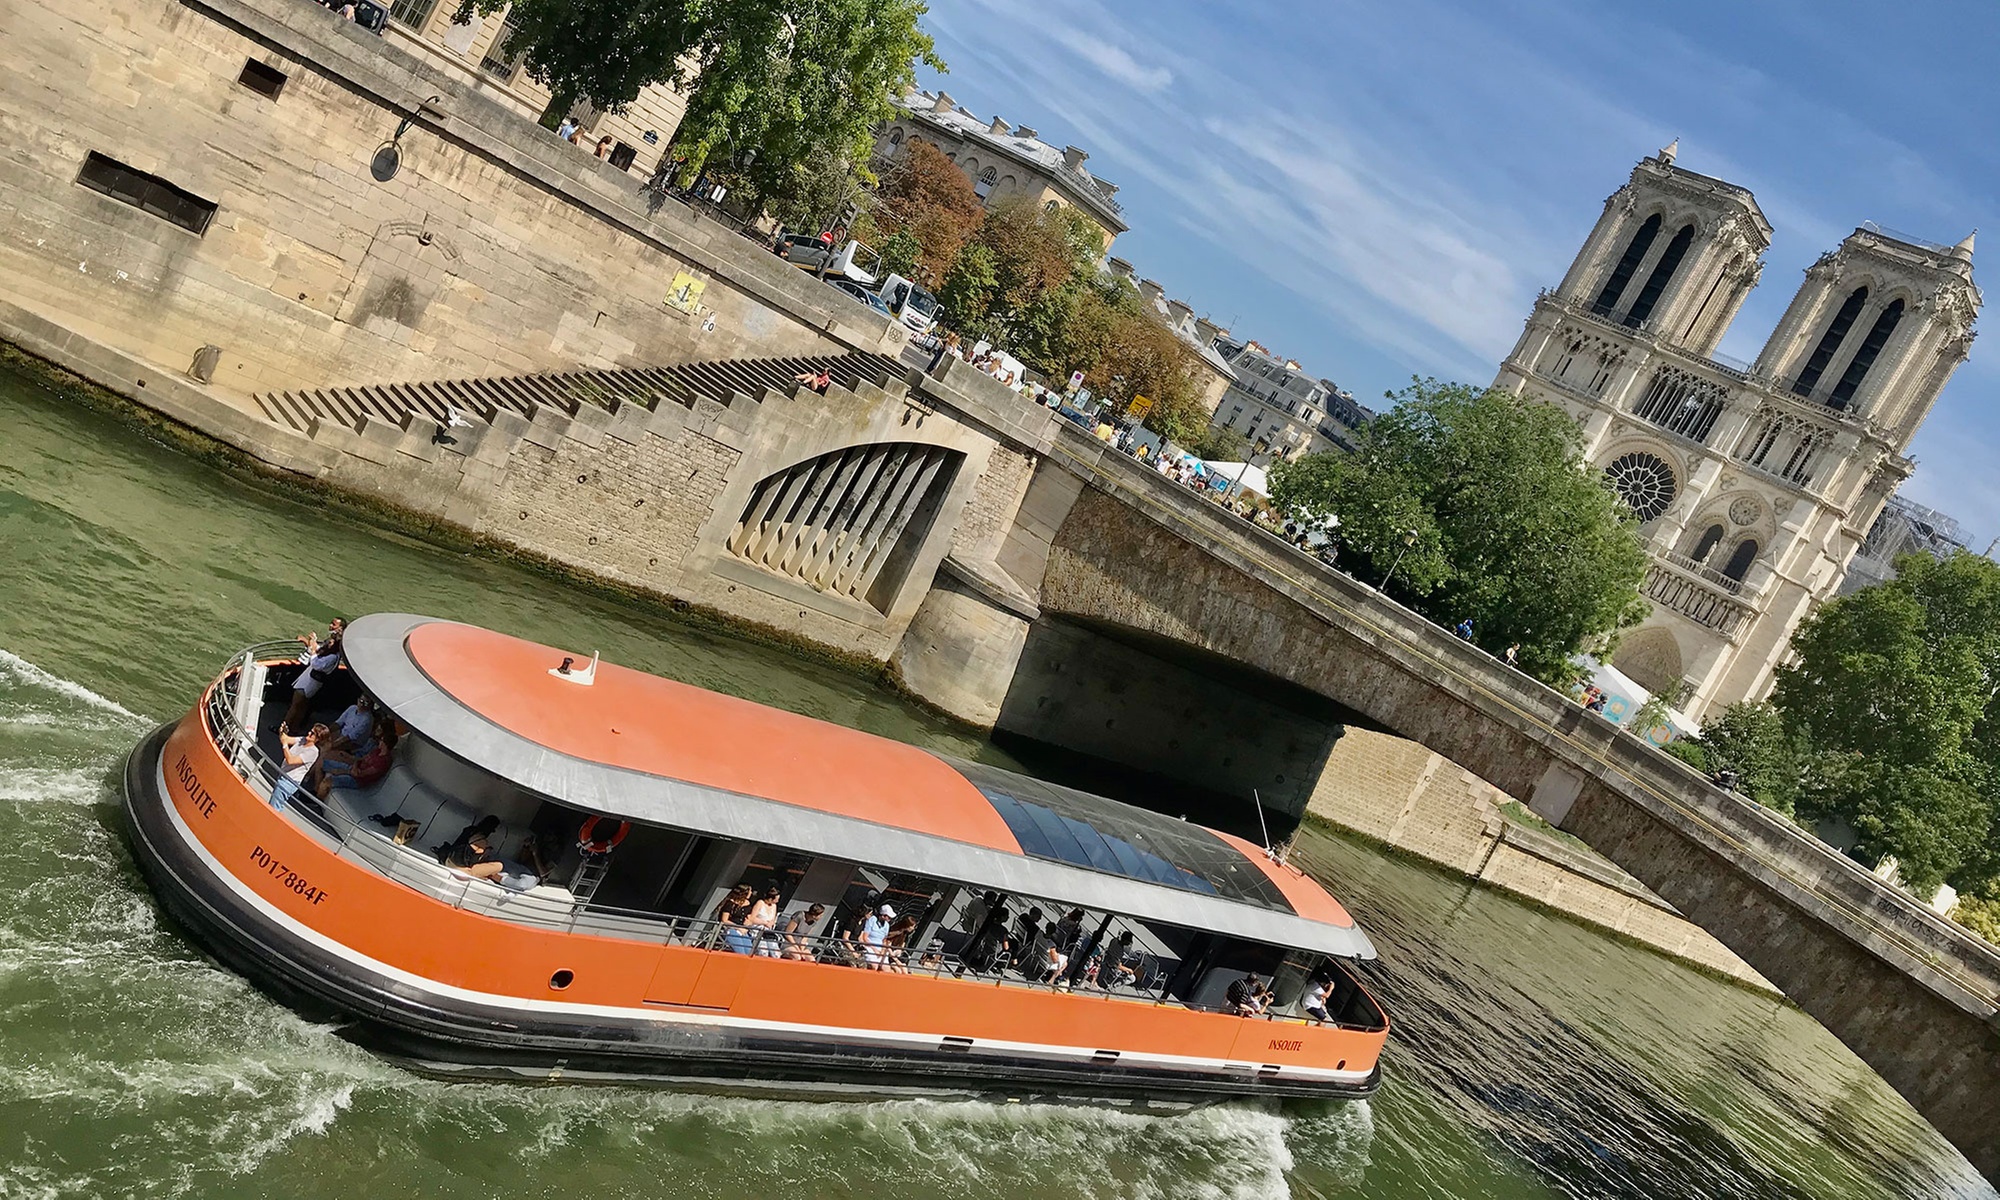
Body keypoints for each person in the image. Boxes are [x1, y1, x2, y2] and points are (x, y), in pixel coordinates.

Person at [272, 723, 325, 809]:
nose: (309, 733)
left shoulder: (313, 752)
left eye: (312, 734)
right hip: (284, 775)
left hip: (289, 781)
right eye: (310, 731)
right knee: (275, 805)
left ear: (318, 739)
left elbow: (291, 760)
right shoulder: (302, 739)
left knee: (274, 807)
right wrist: (282, 732)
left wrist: (285, 745)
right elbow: (286, 739)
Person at [714, 883, 756, 954]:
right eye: (750, 891)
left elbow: (749, 917)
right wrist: (738, 927)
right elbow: (724, 920)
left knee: (749, 952)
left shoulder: (748, 904)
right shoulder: (730, 904)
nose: (751, 893)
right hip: (731, 928)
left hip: (743, 930)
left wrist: (749, 922)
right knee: (741, 952)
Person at [746, 885, 783, 957]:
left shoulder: (774, 906)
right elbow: (752, 918)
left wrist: (771, 923)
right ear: (770, 898)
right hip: (758, 930)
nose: (777, 901)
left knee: (776, 953)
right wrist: (765, 923)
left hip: (768, 932)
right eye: (776, 899)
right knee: (763, 952)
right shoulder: (760, 903)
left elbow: (773, 919)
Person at [859, 903, 895, 970]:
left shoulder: (887, 925)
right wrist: (875, 950)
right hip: (869, 948)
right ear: (883, 915)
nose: (890, 919)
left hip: (880, 949)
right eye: (889, 917)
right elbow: (865, 937)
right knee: (874, 966)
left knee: (886, 969)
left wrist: (882, 951)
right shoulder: (872, 920)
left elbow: (884, 940)